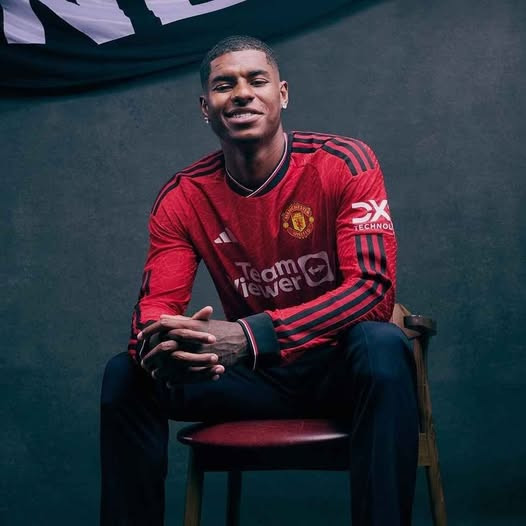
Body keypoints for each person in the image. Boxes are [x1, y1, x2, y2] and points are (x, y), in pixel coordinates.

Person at [100, 35, 418, 526]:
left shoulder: (344, 163)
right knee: (127, 374)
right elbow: (155, 307)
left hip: (338, 370)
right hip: (252, 377)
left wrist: (250, 335)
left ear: (282, 94)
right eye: (224, 85)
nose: (242, 93)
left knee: (381, 342)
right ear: (206, 108)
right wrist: (164, 344)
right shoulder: (183, 197)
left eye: (257, 80)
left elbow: (372, 290)